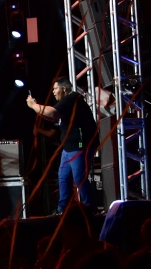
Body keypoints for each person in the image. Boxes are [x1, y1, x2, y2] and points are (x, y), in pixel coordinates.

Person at [27, 77, 97, 214]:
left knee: (79, 177)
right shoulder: (67, 102)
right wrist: (37, 108)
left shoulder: (72, 98)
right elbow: (54, 117)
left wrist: (34, 105)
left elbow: (52, 112)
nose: (53, 92)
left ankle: (89, 209)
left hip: (79, 146)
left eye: (55, 89)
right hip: (69, 147)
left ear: (64, 88)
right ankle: (62, 209)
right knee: (63, 177)